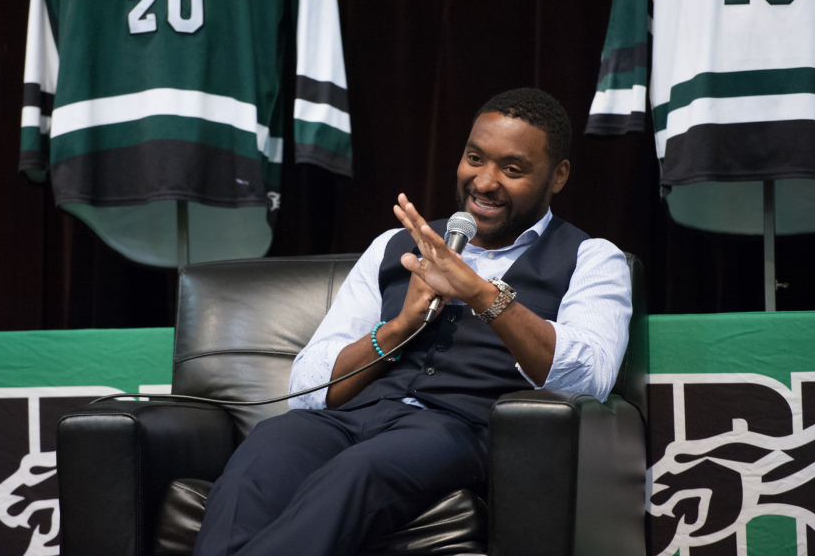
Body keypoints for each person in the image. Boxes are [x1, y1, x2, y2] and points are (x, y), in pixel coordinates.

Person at [191, 87, 632, 556]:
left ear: (558, 176)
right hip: (352, 417)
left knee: (358, 473)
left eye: (512, 169)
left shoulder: (592, 258)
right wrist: (399, 327)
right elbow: (309, 381)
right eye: (474, 158)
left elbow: (590, 378)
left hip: (455, 429)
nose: (483, 183)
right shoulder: (392, 246)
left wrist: (482, 293)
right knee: (267, 447)